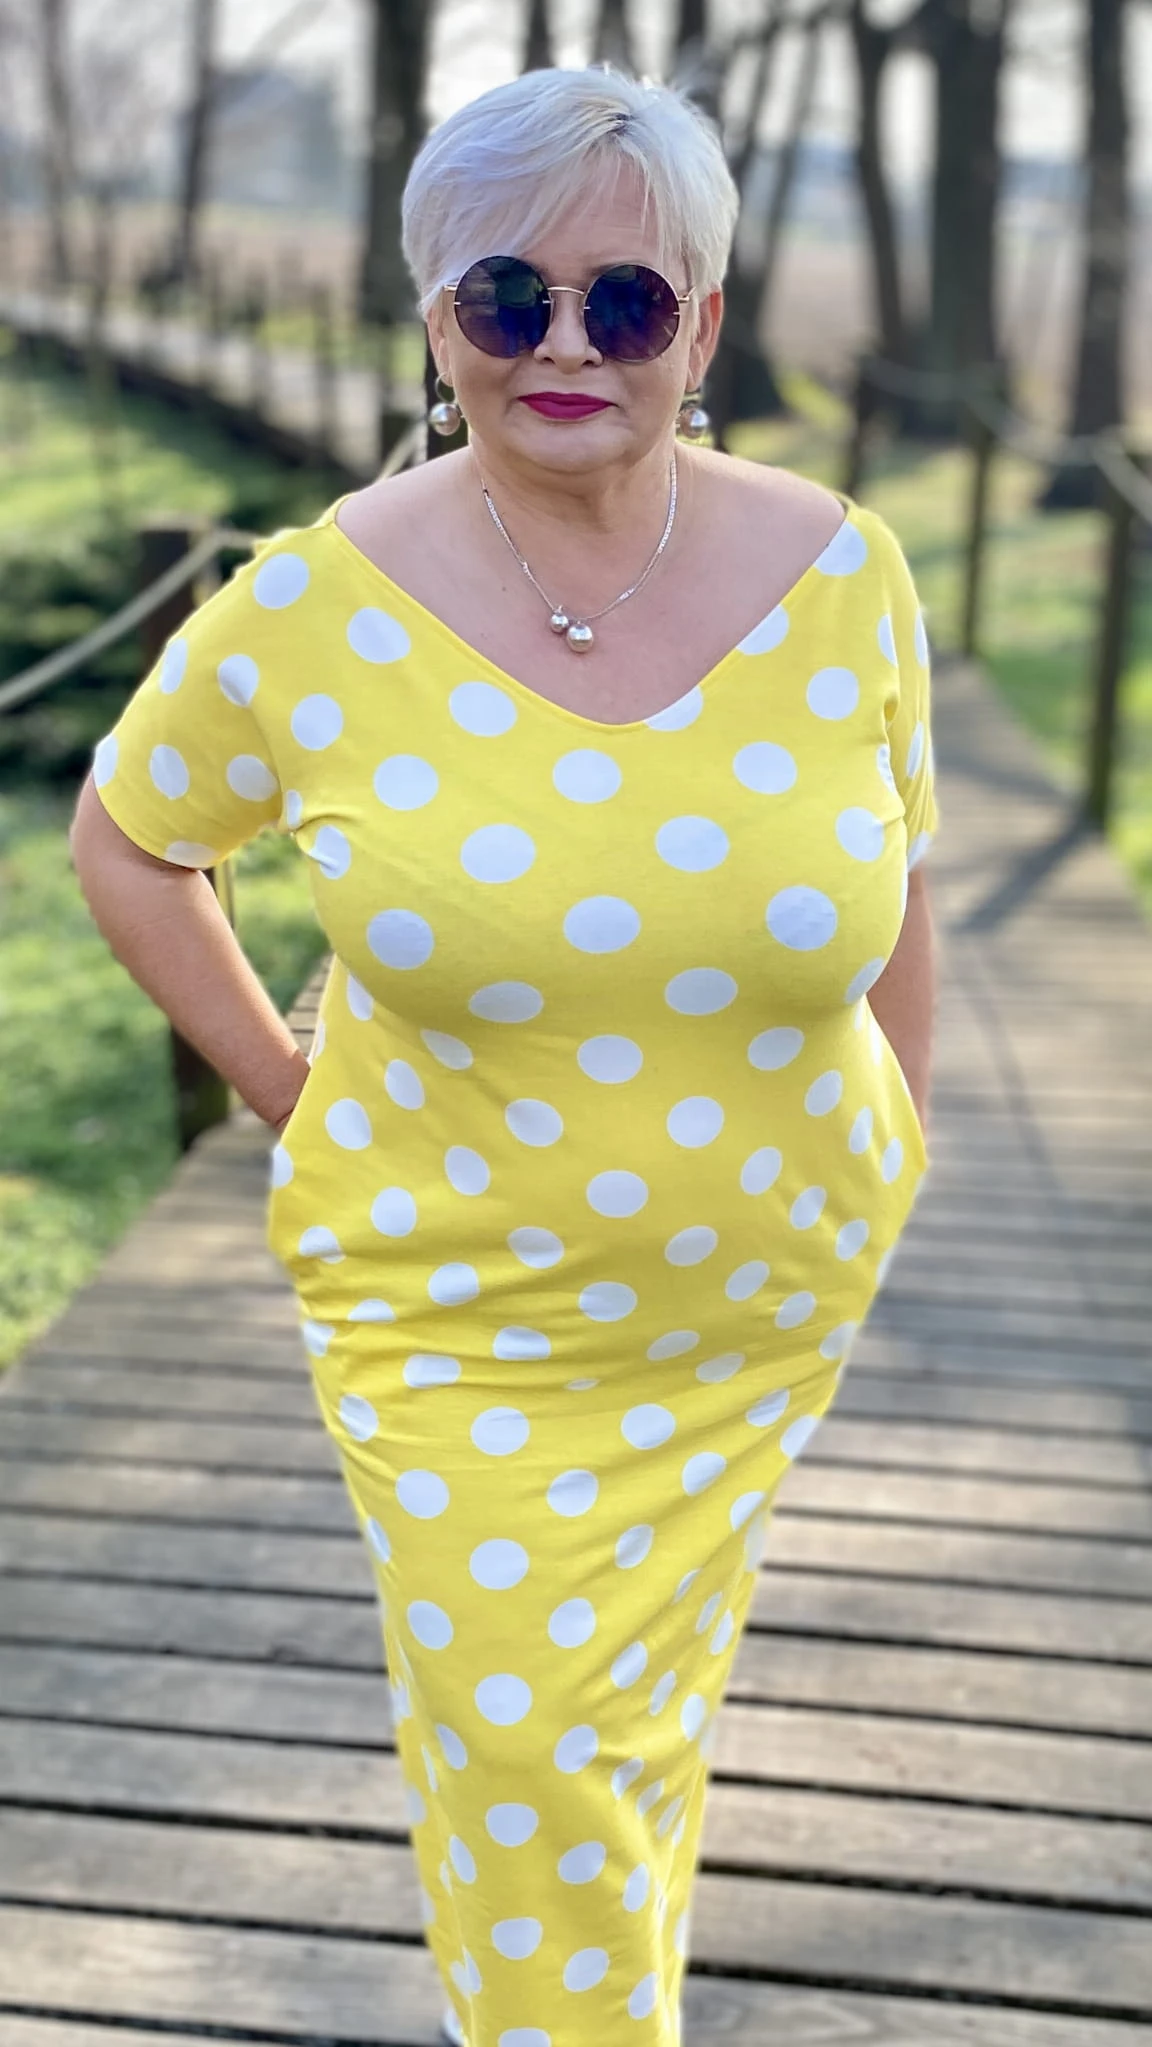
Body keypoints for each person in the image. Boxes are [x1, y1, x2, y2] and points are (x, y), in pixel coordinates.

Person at [69, 61, 939, 2047]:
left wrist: (901, 1128)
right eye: (504, 294)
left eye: (625, 299)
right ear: (433, 315)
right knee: (533, 1744)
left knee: (629, 1722)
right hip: (457, 1309)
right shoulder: (311, 606)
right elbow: (131, 839)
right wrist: (289, 1093)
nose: (565, 344)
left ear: (703, 327)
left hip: (766, 1302)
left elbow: (900, 872)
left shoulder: (844, 576)